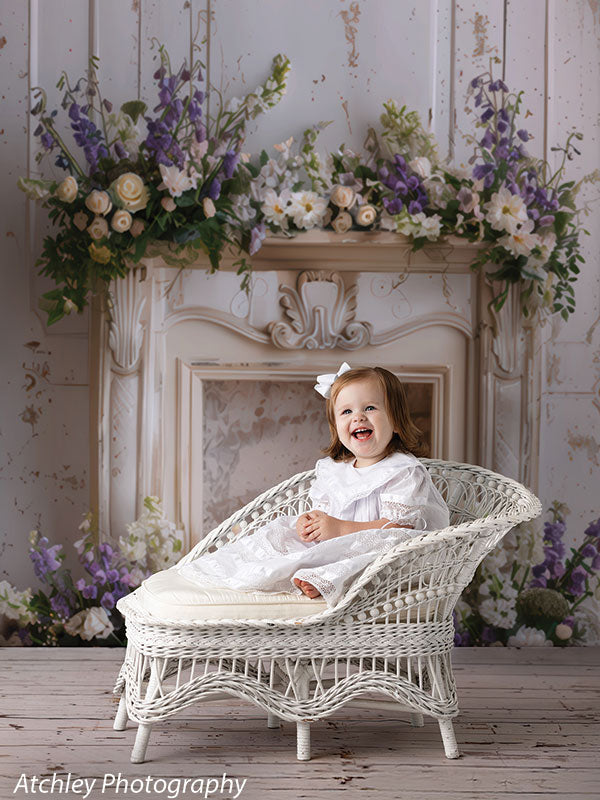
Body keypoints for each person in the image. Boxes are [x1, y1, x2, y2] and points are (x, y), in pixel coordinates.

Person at [176, 364, 450, 606]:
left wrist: (340, 528)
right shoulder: (334, 471)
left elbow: (400, 529)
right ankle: (248, 568)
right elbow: (324, 515)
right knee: (280, 534)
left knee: (371, 557)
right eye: (346, 411)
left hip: (381, 549)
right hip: (336, 542)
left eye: (370, 408)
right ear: (336, 427)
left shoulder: (402, 470)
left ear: (397, 421)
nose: (358, 417)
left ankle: (327, 580)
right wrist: (309, 524)